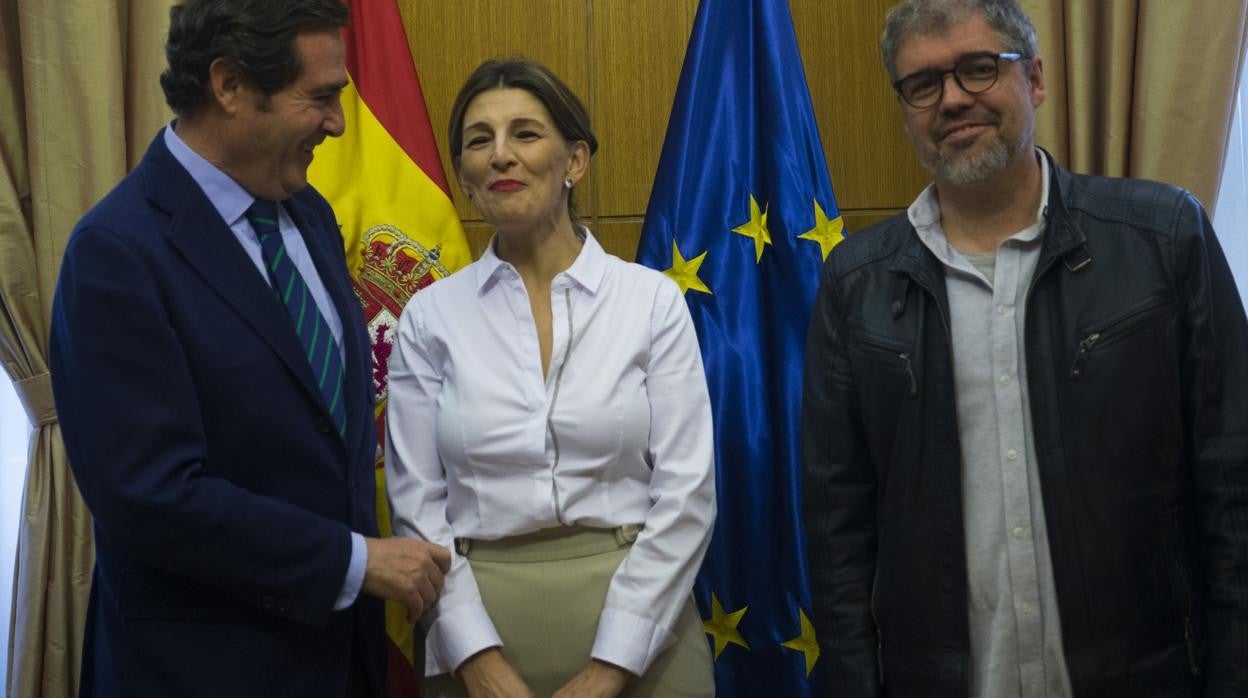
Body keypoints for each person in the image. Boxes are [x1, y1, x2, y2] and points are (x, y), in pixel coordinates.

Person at [801, 0, 1248, 696]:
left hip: (1147, 673)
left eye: (979, 69)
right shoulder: (856, 284)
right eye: (923, 84)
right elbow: (836, 528)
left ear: (1035, 79)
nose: (952, 99)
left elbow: (1233, 483)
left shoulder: (1164, 239)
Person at [48, 1, 451, 695]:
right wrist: (354, 564)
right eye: (320, 97)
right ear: (229, 85)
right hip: (202, 673)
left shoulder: (311, 215)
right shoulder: (116, 253)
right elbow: (152, 497)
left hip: (340, 666)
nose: (338, 123)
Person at [384, 57, 717, 698]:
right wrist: (477, 663)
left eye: (526, 134)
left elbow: (687, 494)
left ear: (576, 161)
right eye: (480, 140)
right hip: (472, 621)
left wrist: (610, 668)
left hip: (644, 616)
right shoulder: (429, 317)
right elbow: (416, 507)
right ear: (465, 176)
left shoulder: (649, 302)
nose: (501, 155)